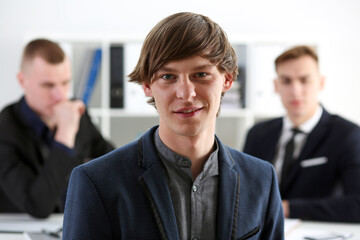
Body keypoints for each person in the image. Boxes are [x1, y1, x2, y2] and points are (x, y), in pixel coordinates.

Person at [63, 12, 284, 239]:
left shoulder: (262, 180)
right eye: (168, 77)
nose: (186, 94)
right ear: (148, 85)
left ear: (227, 79)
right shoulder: (96, 182)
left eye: (201, 74)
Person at [243, 45, 360, 222]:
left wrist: (287, 208)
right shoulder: (257, 134)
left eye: (304, 80)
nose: (295, 91)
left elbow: (357, 204)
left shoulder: (348, 135)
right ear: (276, 85)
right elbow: (243, 192)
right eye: (286, 81)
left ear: (320, 82)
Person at [0, 39, 114, 218]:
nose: (60, 95)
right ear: (23, 81)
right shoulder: (4, 129)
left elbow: (113, 162)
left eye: (65, 83)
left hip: (72, 226)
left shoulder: (79, 114)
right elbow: (38, 206)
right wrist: (65, 135)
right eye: (48, 85)